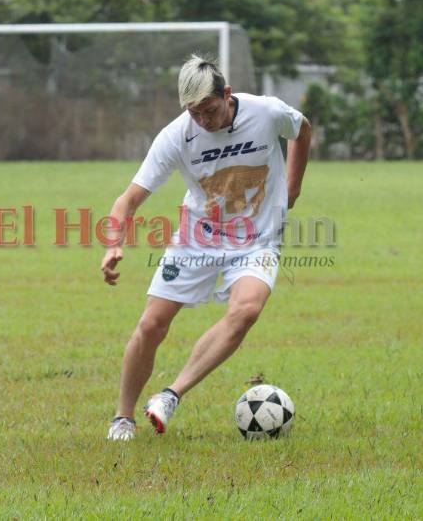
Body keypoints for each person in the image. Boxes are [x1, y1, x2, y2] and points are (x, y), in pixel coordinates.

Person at [101, 54, 311, 441]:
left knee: (246, 310)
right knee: (152, 324)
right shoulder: (177, 136)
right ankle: (122, 418)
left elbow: (301, 130)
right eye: (194, 113)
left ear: (226, 95)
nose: (203, 120)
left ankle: (170, 395)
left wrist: (293, 188)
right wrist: (114, 244)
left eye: (209, 110)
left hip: (257, 239)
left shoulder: (265, 112)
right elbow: (128, 199)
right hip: (199, 237)